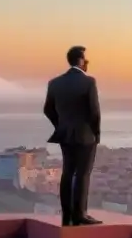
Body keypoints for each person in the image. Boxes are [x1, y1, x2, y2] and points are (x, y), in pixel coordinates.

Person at [44, 46, 102, 226]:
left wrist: (61, 125)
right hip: (85, 135)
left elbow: (48, 109)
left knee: (68, 173)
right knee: (83, 174)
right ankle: (80, 214)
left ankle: (66, 215)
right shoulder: (89, 82)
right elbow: (94, 112)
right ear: (81, 61)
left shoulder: (54, 83)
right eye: (85, 60)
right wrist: (96, 132)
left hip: (65, 135)